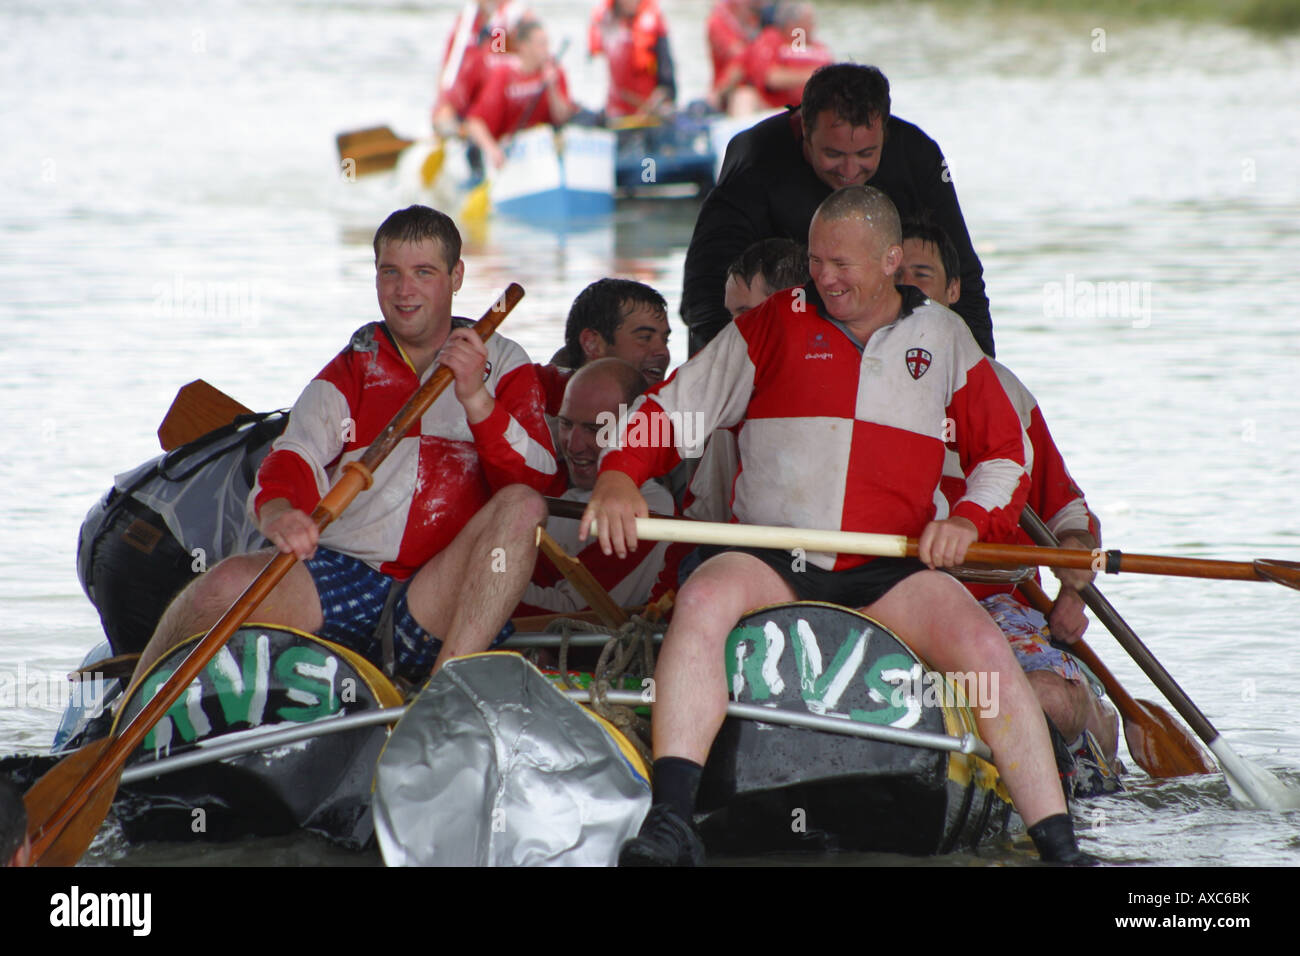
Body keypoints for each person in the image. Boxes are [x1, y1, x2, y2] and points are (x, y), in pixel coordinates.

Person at [584, 186, 1093, 866]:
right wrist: (620, 472)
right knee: (703, 601)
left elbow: (1005, 456)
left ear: (889, 260)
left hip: (888, 570)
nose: (825, 277)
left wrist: (969, 520)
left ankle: (1059, 845)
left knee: (982, 643)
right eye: (817, 260)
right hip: (772, 554)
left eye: (842, 264)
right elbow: (678, 410)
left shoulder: (944, 337)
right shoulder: (771, 322)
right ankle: (671, 821)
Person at [129, 206, 557, 690]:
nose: (403, 290)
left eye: (423, 273)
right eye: (389, 272)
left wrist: (476, 398)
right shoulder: (353, 367)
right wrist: (279, 513)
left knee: (523, 506)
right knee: (221, 586)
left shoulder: (503, 362)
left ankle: (441, 702)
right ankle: (126, 717)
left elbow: (535, 482)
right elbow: (295, 454)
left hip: (443, 592)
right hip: (342, 574)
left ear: (456, 276)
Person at [898, 219, 1120, 771]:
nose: (907, 292)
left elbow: (1068, 513)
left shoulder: (1006, 390)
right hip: (893, 596)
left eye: (920, 277)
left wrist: (1073, 588)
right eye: (895, 276)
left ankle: (1086, 719)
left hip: (1000, 601)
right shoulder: (859, 386)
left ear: (953, 291)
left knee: (1051, 701)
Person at [680, 63, 994, 358]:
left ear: (884, 131)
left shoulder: (918, 154)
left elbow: (962, 272)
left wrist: (985, 378)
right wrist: (723, 379)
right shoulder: (754, 159)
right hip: (768, 339)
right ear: (803, 126)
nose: (849, 170)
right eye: (832, 153)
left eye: (866, 153)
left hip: (884, 337)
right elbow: (703, 286)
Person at [516, 358, 677, 616]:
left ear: (634, 431)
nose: (574, 444)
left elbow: (571, 614)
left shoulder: (651, 509)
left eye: (595, 429)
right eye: (567, 424)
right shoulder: (548, 476)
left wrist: (473, 580)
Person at [537, 278, 672, 416]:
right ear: (592, 344)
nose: (663, 352)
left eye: (665, 340)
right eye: (645, 337)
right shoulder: (538, 426)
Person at [463, 19, 578, 170]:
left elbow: (562, 116)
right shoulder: (504, 76)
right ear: (524, 47)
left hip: (544, 151)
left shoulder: (554, 71)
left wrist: (552, 88)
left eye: (547, 44)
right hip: (511, 150)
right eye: (541, 45)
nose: (546, 50)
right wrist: (492, 150)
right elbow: (474, 122)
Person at [432, 1, 531, 137]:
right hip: (468, 106)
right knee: (445, 114)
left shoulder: (512, 17)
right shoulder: (466, 23)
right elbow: (449, 71)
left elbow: (502, 64)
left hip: (501, 106)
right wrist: (444, 108)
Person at [588, 0, 676, 121]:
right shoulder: (605, 20)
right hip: (616, 112)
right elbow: (592, 58)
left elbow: (668, 84)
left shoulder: (653, 24)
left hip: (648, 113)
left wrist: (653, 106)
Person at [741, 2, 832, 110]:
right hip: (775, 108)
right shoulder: (772, 39)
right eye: (808, 21)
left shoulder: (819, 48)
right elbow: (770, 77)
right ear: (792, 24)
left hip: (813, 108)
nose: (812, 25)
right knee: (744, 96)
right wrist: (812, 75)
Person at [706, 0, 764, 115]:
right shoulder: (718, 21)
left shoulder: (756, 18)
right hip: (730, 92)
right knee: (744, 97)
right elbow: (739, 56)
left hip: (758, 90)